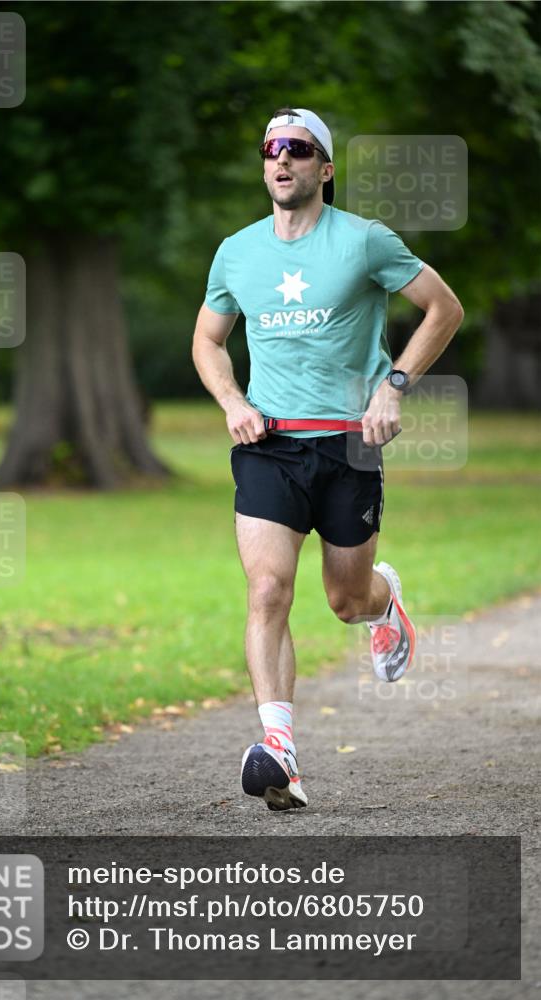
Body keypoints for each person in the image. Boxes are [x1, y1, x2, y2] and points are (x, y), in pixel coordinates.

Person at [192, 107, 464, 811]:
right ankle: (277, 749)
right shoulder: (237, 252)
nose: (280, 161)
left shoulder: (365, 242)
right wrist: (231, 403)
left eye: (297, 149)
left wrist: (392, 386)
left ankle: (384, 604)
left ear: (325, 167)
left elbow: (442, 308)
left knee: (344, 599)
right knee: (266, 591)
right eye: (269, 150)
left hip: (350, 442)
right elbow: (208, 341)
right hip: (267, 446)